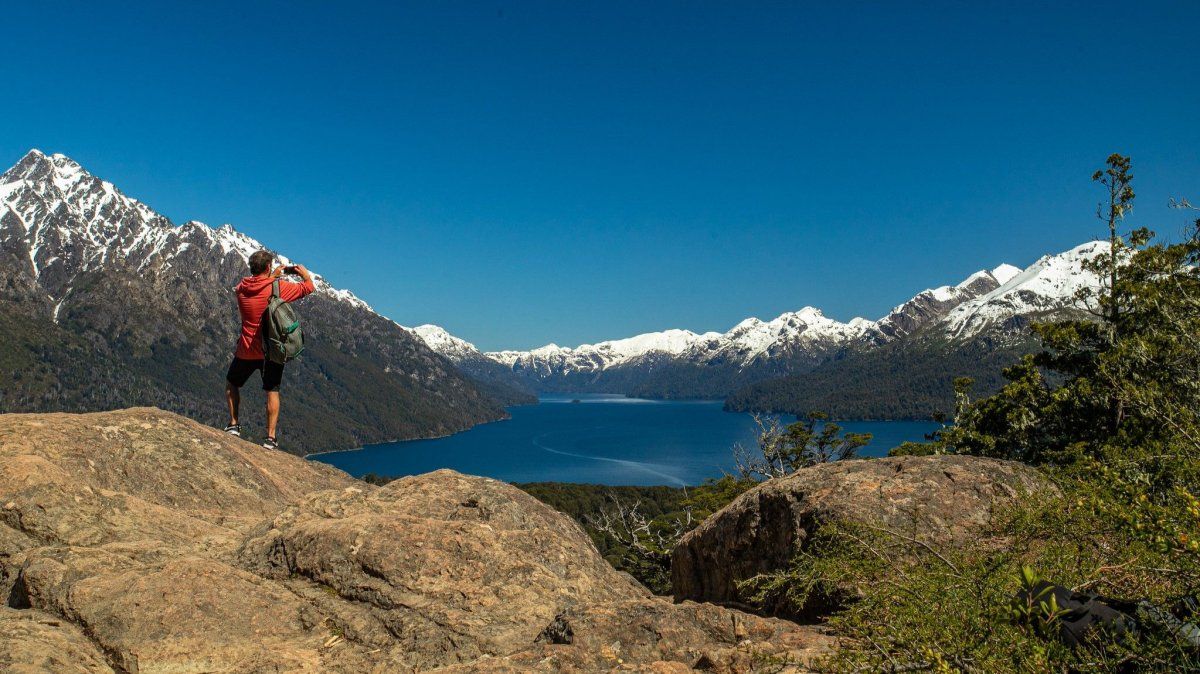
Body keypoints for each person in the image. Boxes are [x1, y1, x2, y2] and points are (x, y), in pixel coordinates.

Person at [223, 250, 314, 449]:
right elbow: (308, 288)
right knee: (272, 391)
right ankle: (270, 438)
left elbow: (252, 286)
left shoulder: (241, 289)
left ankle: (233, 424)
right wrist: (303, 274)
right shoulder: (278, 287)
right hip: (271, 350)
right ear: (268, 267)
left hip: (246, 349)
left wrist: (271, 277)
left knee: (232, 384)